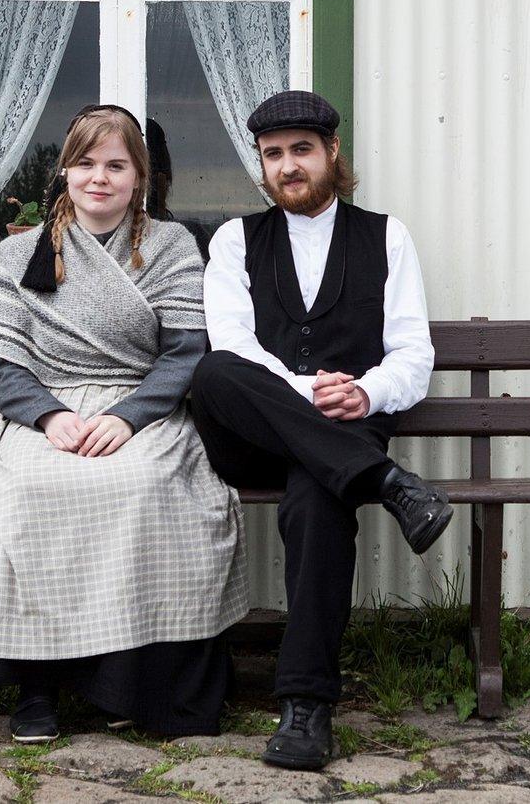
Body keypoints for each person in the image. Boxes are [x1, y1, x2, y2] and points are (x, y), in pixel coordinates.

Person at [0, 104, 248, 743]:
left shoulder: (170, 246)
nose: (101, 177)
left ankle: (125, 683)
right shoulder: (20, 252)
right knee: (25, 491)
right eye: (86, 163)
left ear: (139, 177)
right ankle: (35, 687)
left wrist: (128, 418)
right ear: (65, 171)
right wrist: (48, 415)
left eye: (116, 165)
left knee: (144, 490)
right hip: (48, 411)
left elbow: (185, 350)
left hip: (142, 407)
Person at [190, 89, 446, 772]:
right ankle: (388, 484)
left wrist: (363, 391)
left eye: (301, 150)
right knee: (214, 372)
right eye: (273, 155)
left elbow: (413, 355)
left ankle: (307, 709)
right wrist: (312, 394)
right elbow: (236, 349)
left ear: (332, 152)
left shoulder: (385, 236)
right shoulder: (234, 241)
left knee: (318, 497)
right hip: (255, 440)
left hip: (343, 434)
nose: (287, 166)